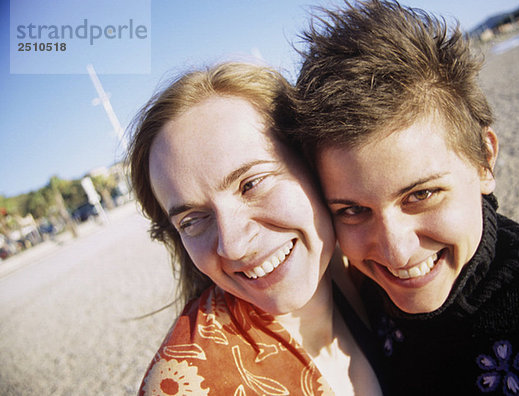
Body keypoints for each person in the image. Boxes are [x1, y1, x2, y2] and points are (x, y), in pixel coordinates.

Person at [286, 1, 519, 394]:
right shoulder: (362, 303)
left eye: (422, 194)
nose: (396, 252)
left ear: (484, 160)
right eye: (352, 210)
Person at [128, 62, 382, 395]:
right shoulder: (189, 383)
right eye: (192, 220)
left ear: (312, 162)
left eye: (252, 184)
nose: (232, 247)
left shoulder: (375, 269)